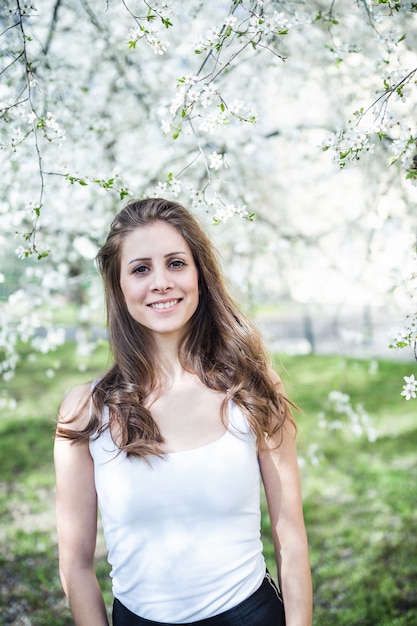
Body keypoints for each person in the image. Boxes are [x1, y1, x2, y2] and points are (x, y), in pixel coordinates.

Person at [54, 197, 312, 626]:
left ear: (199, 275)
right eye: (140, 269)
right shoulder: (86, 411)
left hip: (249, 614)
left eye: (176, 263)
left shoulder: (250, 387)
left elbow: (291, 537)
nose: (161, 282)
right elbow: (76, 566)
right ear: (118, 286)